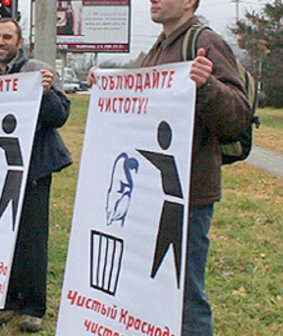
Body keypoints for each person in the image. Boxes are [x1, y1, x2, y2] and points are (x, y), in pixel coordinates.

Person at [88, 0, 250, 334]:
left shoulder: (204, 42)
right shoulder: (159, 49)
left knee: (186, 295)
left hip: (188, 196)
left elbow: (237, 117)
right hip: (150, 196)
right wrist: (108, 83)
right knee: (154, 288)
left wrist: (208, 85)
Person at [0, 17, 72, 332]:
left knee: (31, 240)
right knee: (0, 235)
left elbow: (60, 116)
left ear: (19, 42)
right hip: (0, 171)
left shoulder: (38, 71)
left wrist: (45, 91)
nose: (1, 43)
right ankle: (7, 300)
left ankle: (33, 307)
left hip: (34, 169)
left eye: (7, 37)